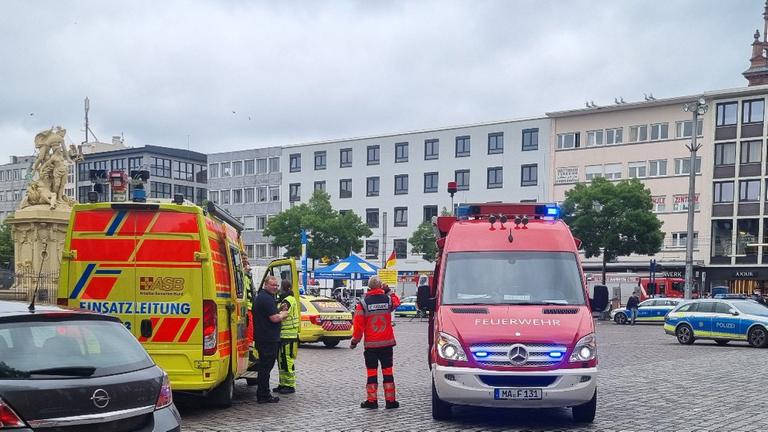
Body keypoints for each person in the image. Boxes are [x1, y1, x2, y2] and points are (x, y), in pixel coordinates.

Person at [350, 276, 401, 409]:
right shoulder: (388, 300)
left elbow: (358, 325)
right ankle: (391, 401)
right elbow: (397, 301)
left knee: (372, 373)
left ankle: (372, 402)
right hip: (387, 345)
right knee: (388, 372)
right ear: (380, 287)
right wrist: (388, 290)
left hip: (371, 346)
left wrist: (355, 341)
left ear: (369, 287)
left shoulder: (363, 304)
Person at [252, 275, 289, 403]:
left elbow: (268, 313)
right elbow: (274, 318)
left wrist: (277, 310)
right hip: (268, 339)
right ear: (265, 285)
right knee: (265, 368)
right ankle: (263, 395)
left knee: (264, 367)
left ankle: (263, 394)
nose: (275, 288)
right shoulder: (266, 299)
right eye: (273, 285)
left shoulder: (262, 297)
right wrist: (283, 314)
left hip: (263, 337)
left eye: (277, 285)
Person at [273, 279, 300, 394]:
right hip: (285, 335)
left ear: (285, 288)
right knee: (281, 361)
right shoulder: (287, 299)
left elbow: (283, 314)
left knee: (287, 361)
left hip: (288, 336)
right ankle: (283, 383)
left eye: (280, 286)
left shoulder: (287, 300)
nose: (279, 288)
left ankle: (289, 385)